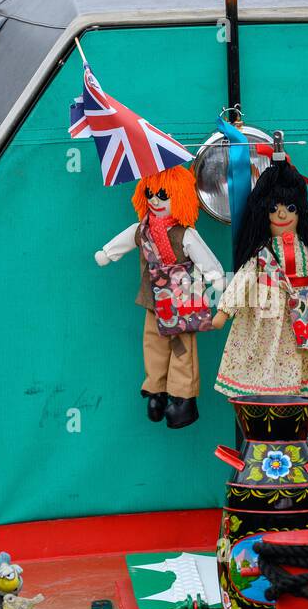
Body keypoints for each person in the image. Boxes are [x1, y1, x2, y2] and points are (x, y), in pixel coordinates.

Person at [212, 158, 308, 398]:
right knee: (269, 353)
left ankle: (294, 402)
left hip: (306, 311)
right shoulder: (262, 253)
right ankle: (270, 395)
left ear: (300, 212)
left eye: (290, 208)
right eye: (273, 209)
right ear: (263, 214)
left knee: (301, 355)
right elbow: (244, 279)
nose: (282, 214)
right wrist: (225, 310)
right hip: (269, 314)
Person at [95, 164, 224, 429]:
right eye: (151, 193)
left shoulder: (185, 234)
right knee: (152, 345)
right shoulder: (141, 231)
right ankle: (156, 390)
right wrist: (108, 253)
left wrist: (217, 280)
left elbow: (208, 263)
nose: (155, 200)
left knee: (181, 349)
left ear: (180, 196)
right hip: (153, 301)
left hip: (180, 303)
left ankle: (183, 399)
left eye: (163, 195)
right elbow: (123, 240)